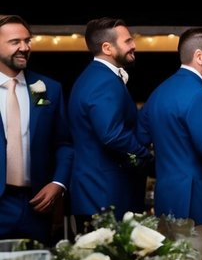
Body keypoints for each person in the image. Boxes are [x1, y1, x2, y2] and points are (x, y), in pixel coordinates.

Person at [137, 26, 202, 227]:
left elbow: (141, 139)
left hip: (165, 196)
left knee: (171, 256)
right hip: (199, 199)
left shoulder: (158, 93)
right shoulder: (200, 95)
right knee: (198, 255)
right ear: (199, 57)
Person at [68, 17, 148, 225]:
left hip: (98, 191)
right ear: (107, 47)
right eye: (128, 41)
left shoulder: (95, 76)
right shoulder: (103, 80)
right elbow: (112, 134)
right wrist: (144, 153)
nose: (134, 46)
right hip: (103, 194)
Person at [0, 14, 71, 243]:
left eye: (27, 40)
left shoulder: (43, 89)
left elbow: (63, 143)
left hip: (36, 206)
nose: (24, 47)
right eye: (15, 42)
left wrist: (58, 183)